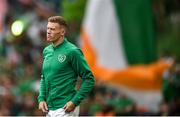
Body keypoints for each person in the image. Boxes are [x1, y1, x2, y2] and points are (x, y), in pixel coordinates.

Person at [38, 16, 95, 116]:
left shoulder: (72, 51)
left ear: (62, 32)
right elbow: (44, 77)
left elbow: (89, 78)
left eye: (52, 29)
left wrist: (75, 101)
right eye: (48, 28)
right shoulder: (47, 51)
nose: (48, 31)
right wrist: (41, 98)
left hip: (65, 107)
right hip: (49, 109)